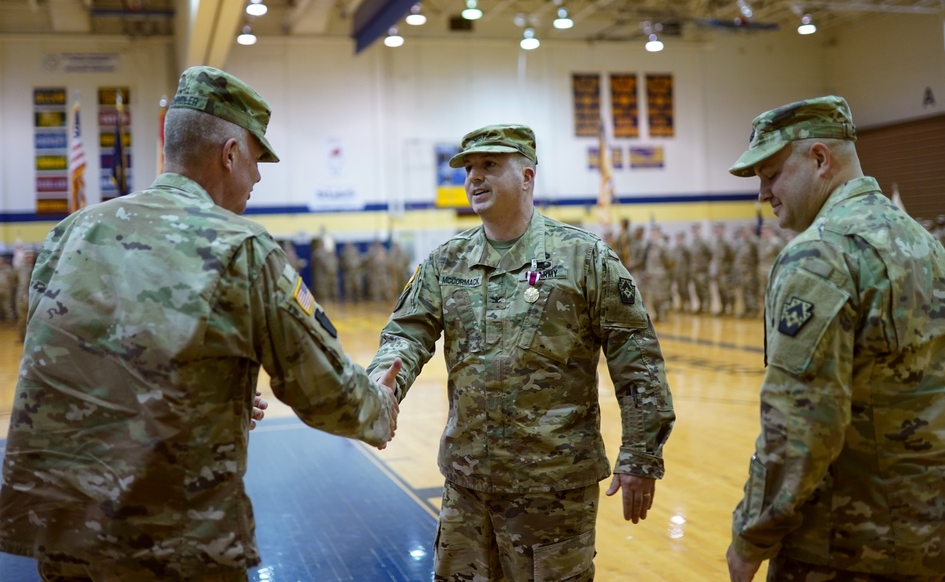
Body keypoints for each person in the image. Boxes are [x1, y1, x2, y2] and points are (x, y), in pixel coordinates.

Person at [0, 65, 401, 582]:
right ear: (229, 154)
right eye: (256, 161)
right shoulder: (240, 247)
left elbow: (80, 363)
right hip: (175, 547)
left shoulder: (70, 233)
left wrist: (219, 395)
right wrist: (379, 407)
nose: (257, 178)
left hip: (66, 540)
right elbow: (327, 393)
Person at [366, 124, 675, 581]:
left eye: (490, 165)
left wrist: (641, 454)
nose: (474, 177)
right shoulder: (446, 261)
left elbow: (637, 357)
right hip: (467, 487)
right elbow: (407, 334)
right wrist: (381, 382)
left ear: (527, 177)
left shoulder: (584, 258)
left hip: (553, 492)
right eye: (469, 168)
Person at [725, 96, 945, 581]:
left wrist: (751, 536)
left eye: (771, 173)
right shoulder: (924, 242)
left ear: (820, 159)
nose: (763, 192)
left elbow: (801, 424)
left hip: (853, 550)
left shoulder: (818, 255)